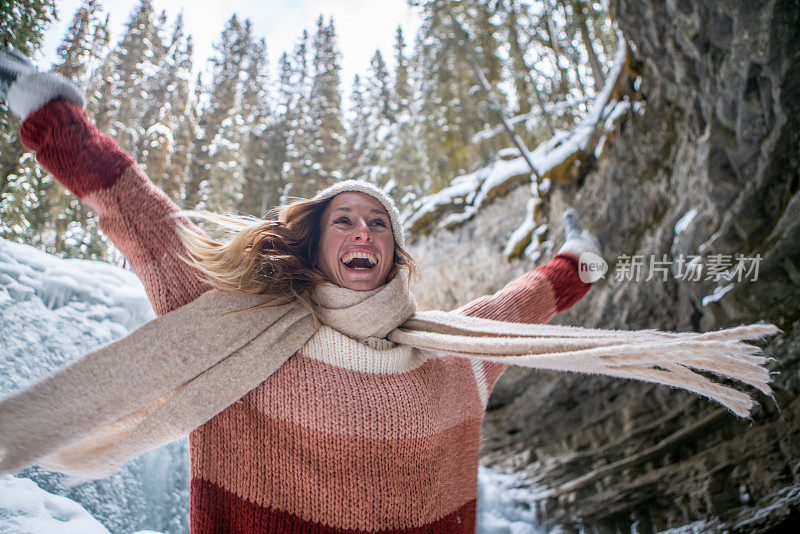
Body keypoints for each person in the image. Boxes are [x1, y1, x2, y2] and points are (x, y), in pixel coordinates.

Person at [0, 49, 777, 533]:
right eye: (345, 221)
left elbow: (525, 304)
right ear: (315, 241)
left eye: (378, 222)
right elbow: (149, 225)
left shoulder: (455, 354)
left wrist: (577, 259)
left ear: (394, 252)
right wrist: (57, 120)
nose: (364, 233)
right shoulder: (232, 329)